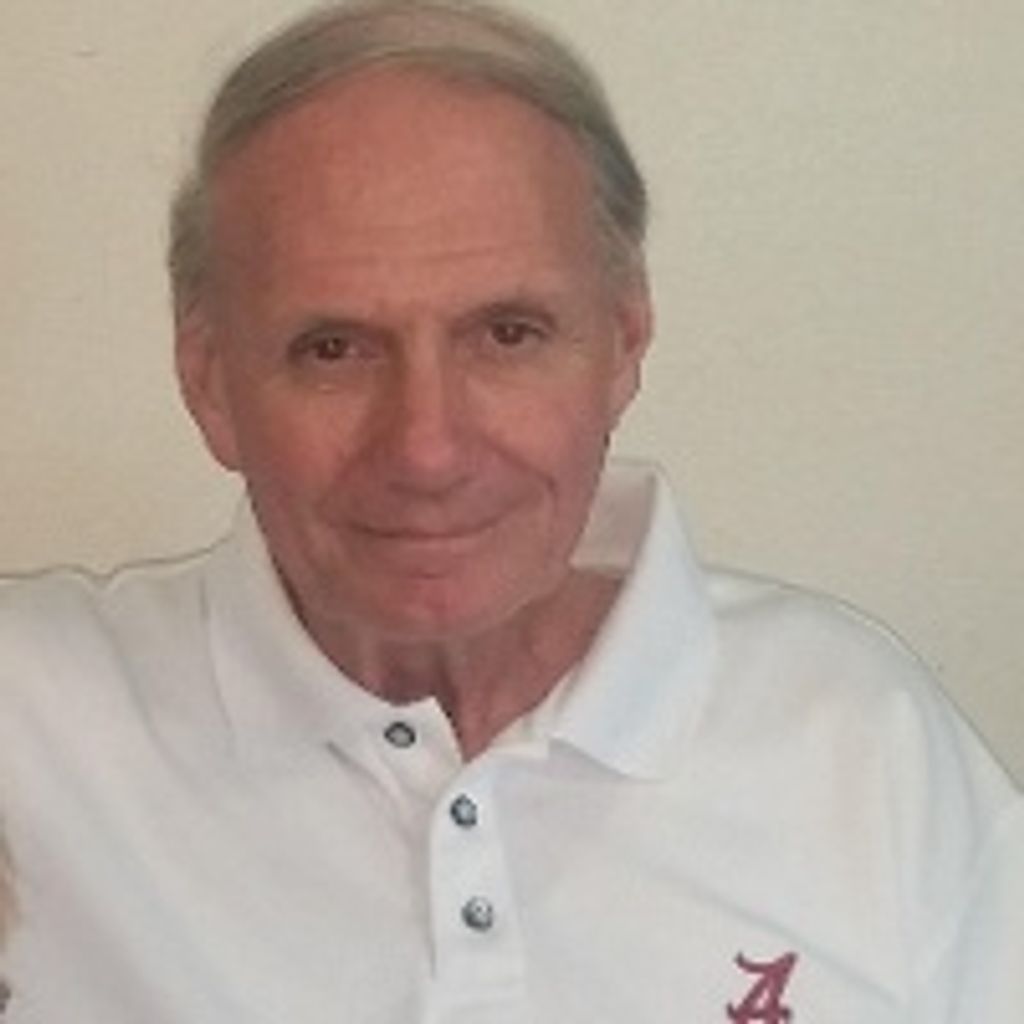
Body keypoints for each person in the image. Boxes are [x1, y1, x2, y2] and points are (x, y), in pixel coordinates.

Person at [0, 1, 1021, 1021]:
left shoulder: (855, 740)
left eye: (508, 334)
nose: (426, 449)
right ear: (211, 382)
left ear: (622, 344)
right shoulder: (36, 725)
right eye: (333, 350)